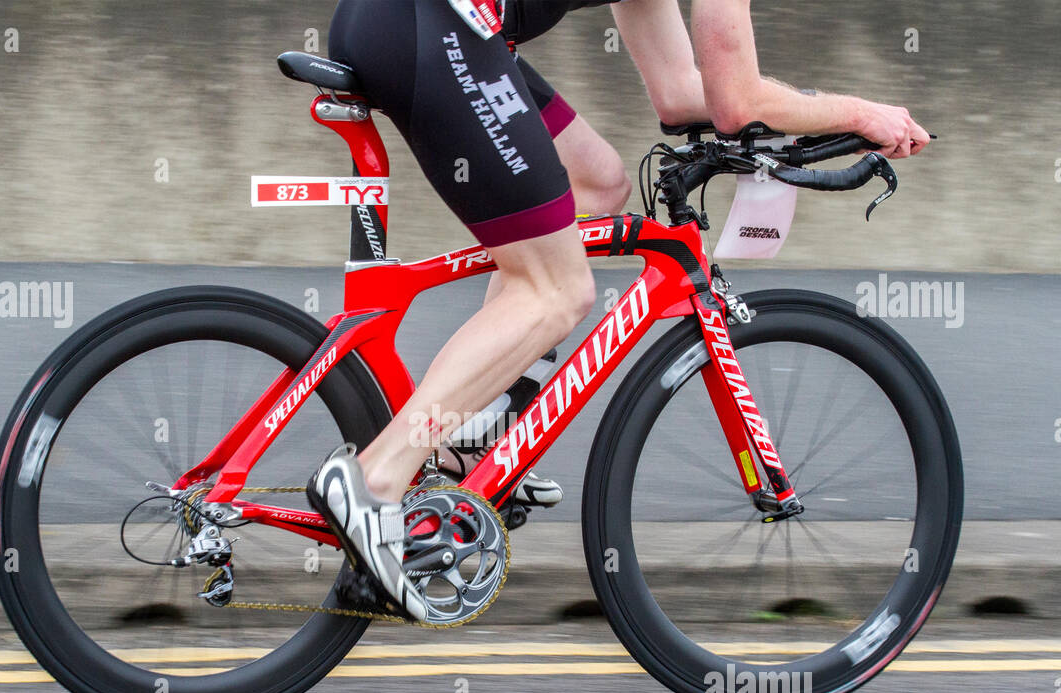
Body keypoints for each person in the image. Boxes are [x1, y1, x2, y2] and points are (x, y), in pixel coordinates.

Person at [308, 0, 930, 621]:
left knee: (597, 184)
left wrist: (806, 117)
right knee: (557, 291)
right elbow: (738, 104)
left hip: (416, 22)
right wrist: (860, 114)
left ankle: (476, 433)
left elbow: (684, 94)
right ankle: (377, 481)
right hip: (435, 27)